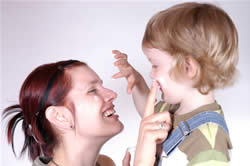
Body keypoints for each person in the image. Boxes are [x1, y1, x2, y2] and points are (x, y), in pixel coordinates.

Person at [113, 2, 238, 165]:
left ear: (187, 68)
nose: (151, 74)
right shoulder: (172, 108)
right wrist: (136, 82)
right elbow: (148, 114)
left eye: (155, 65)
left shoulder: (208, 145)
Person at [2, 59, 172, 166]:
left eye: (101, 86)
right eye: (92, 91)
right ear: (60, 116)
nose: (112, 94)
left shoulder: (105, 164)